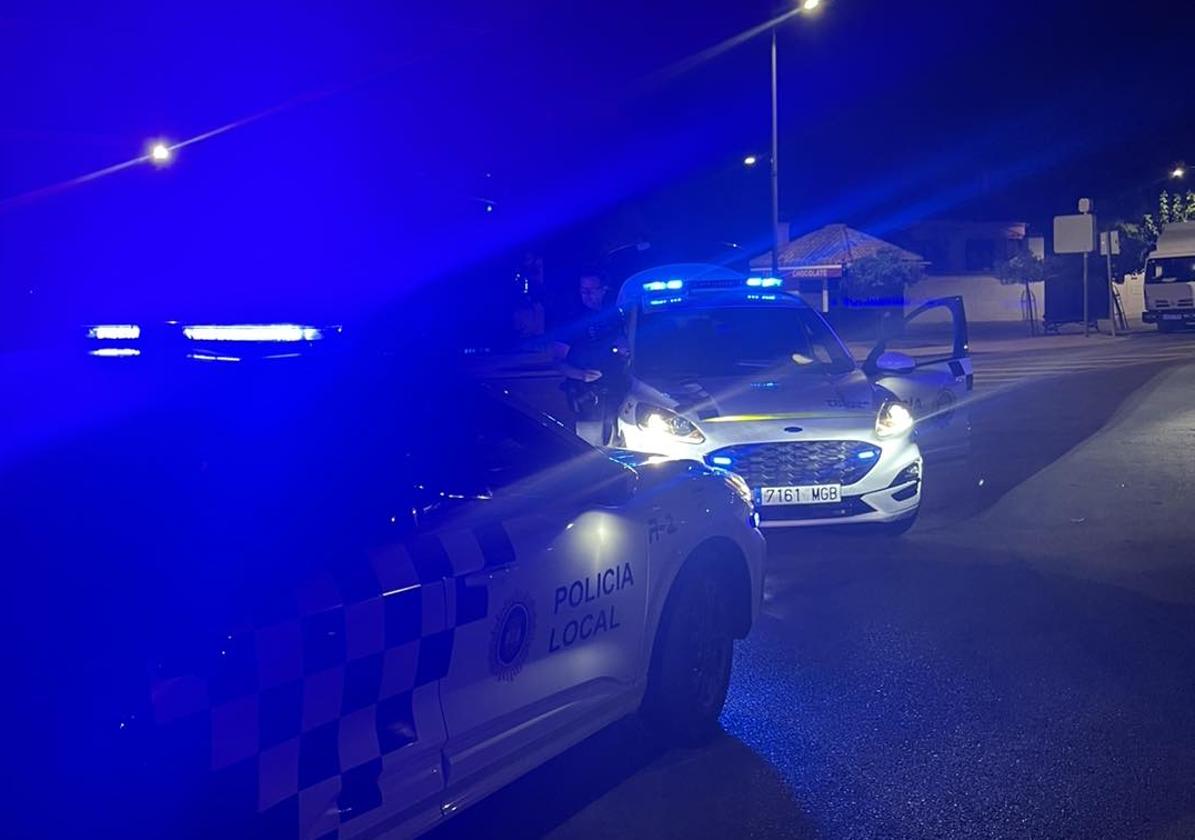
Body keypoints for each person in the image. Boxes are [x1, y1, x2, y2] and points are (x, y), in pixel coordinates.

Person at [552, 270, 628, 444]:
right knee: (590, 449)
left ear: (604, 289)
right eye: (583, 290)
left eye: (592, 290)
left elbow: (621, 342)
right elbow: (557, 361)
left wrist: (624, 351)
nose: (587, 295)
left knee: (619, 444)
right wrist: (581, 375)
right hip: (588, 396)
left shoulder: (615, 315)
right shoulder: (572, 321)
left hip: (618, 389)